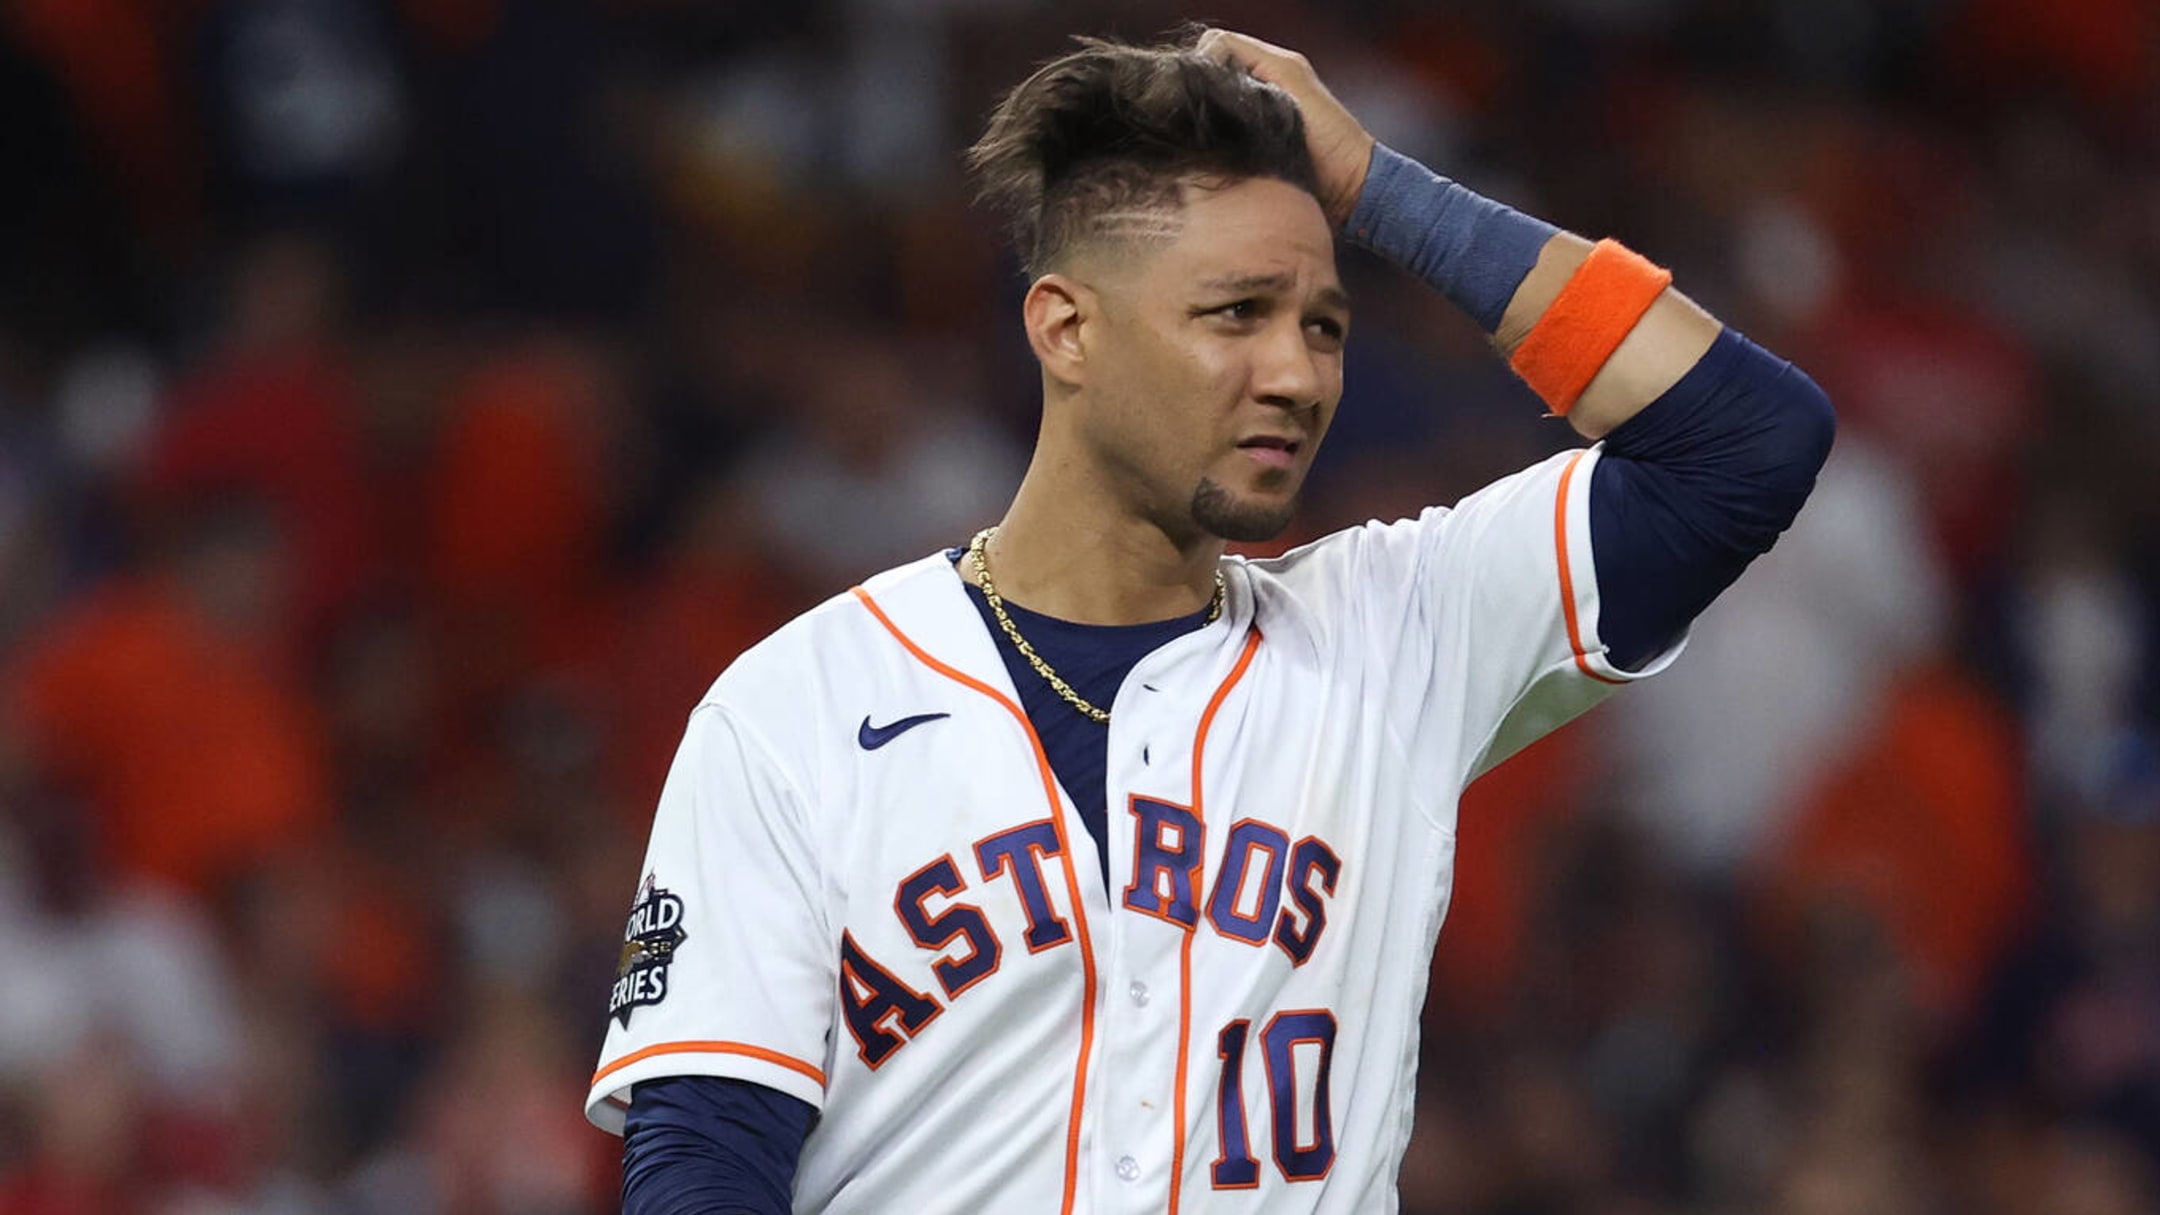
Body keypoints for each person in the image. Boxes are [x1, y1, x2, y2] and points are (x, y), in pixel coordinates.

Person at [586, 27, 1834, 1214]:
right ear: (1066, 329)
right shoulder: (795, 704)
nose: (1295, 373)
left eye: (1323, 326)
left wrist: (1374, 189)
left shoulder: (1396, 631)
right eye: (1236, 314)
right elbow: (704, 1150)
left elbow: (1744, 444)